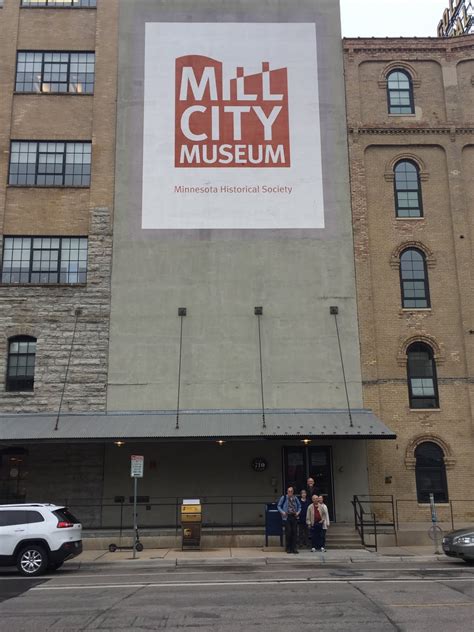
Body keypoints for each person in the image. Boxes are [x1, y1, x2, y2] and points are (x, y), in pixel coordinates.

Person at [277, 486, 301, 554]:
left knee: (294, 532)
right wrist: (283, 512)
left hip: (294, 516)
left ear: (293, 492)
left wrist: (298, 512)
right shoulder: (284, 497)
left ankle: (294, 548)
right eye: (289, 491)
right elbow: (278, 506)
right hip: (287, 517)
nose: (290, 492)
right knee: (288, 532)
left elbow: (299, 506)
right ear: (287, 492)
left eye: (291, 491)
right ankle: (288, 548)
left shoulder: (295, 498)